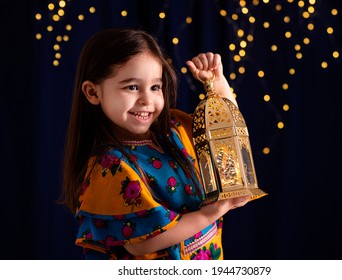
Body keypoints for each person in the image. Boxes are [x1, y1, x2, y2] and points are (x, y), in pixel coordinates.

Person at [61, 28, 257, 260]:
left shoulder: (174, 129)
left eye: (155, 87)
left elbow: (226, 133)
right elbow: (142, 242)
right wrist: (211, 213)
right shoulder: (110, 166)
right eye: (132, 87)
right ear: (93, 92)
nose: (147, 99)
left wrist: (217, 84)